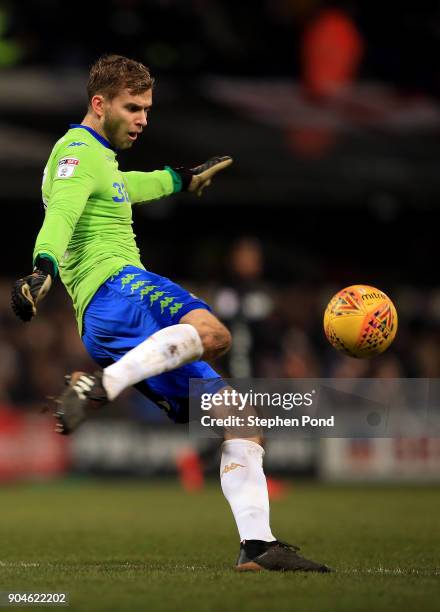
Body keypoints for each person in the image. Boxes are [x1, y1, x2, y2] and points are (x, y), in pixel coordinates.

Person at [11, 54, 331, 573]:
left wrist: (179, 180)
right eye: (132, 108)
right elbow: (64, 212)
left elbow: (126, 190)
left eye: (147, 109)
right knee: (213, 333)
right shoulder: (76, 151)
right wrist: (41, 269)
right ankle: (103, 387)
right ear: (99, 104)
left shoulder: (101, 160)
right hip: (119, 287)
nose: (142, 119)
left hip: (108, 321)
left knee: (240, 420)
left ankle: (257, 546)